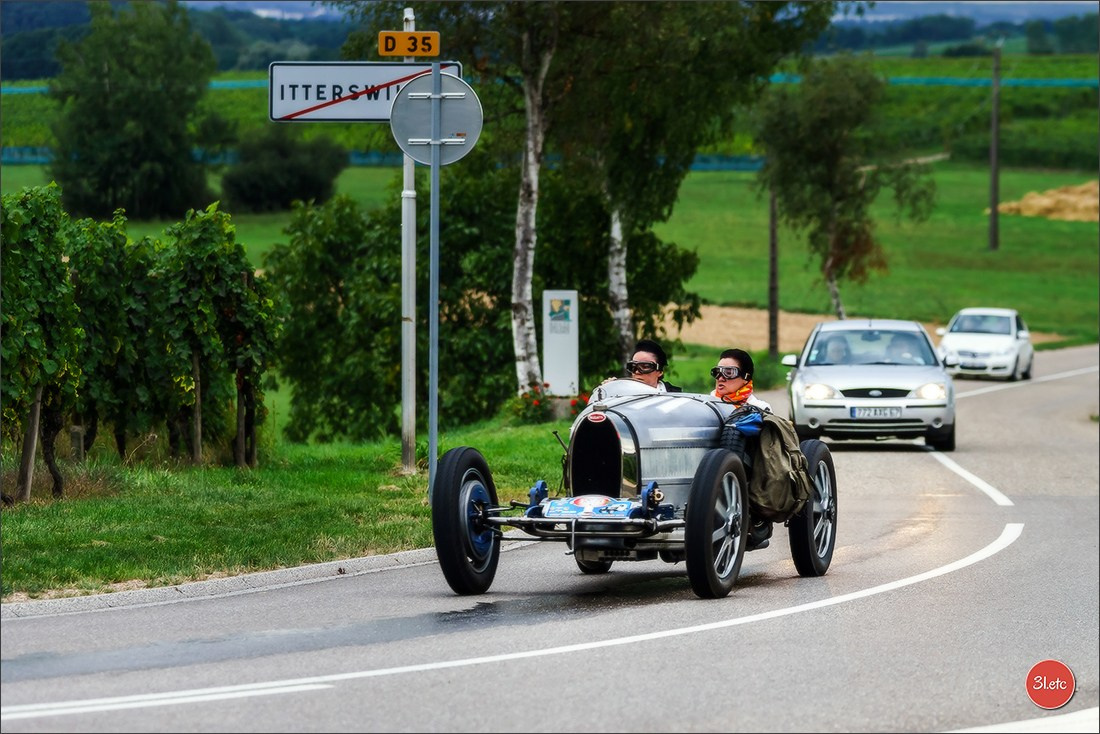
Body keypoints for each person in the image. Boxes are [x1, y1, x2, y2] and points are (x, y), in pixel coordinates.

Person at [601, 338, 682, 393]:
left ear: (660, 371)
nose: (637, 372)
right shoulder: (622, 393)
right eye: (633, 367)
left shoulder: (675, 397)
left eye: (645, 366)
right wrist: (609, 390)